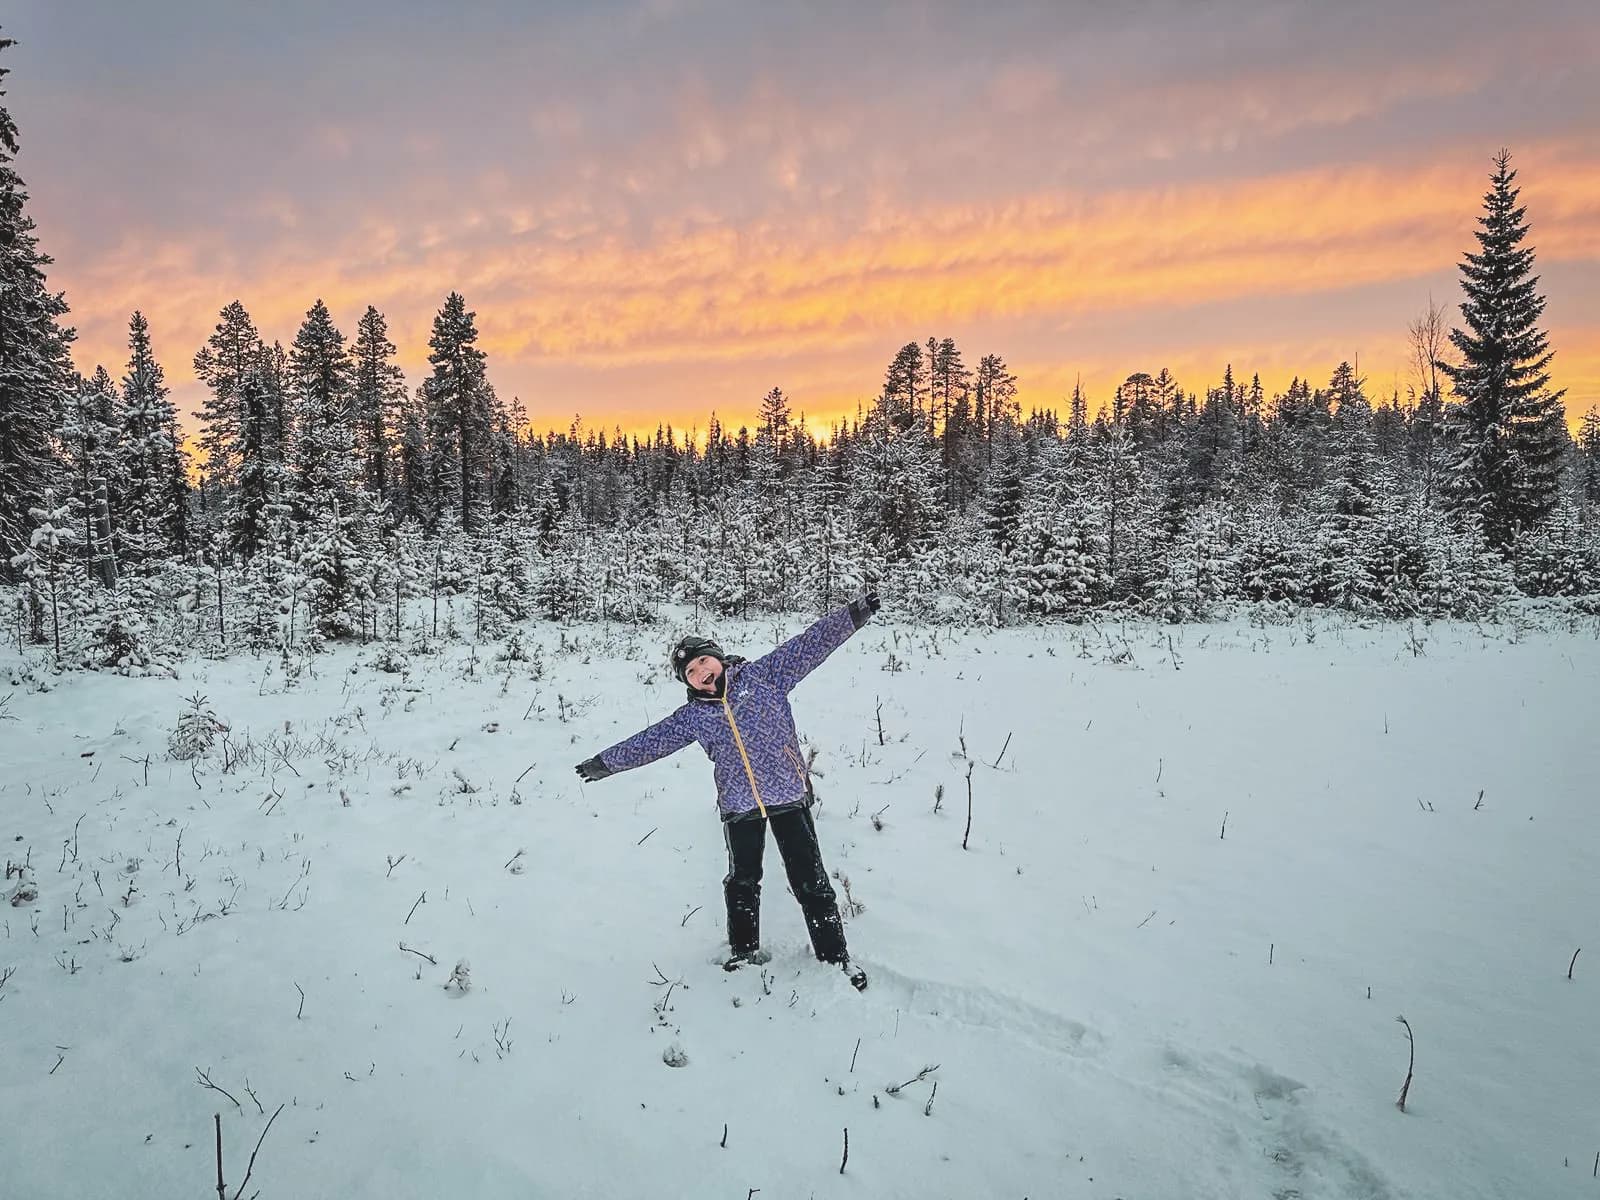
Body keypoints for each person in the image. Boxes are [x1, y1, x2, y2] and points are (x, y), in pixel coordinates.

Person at [575, 593, 881, 991]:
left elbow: (809, 644)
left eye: (703, 660)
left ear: (718, 657)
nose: (700, 671)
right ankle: (743, 949)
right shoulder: (693, 717)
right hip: (740, 805)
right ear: (686, 682)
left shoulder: (765, 676)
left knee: (809, 877)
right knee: (742, 879)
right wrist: (607, 762)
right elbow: (652, 741)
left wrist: (852, 617)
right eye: (690, 671)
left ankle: (835, 957)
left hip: (787, 794)